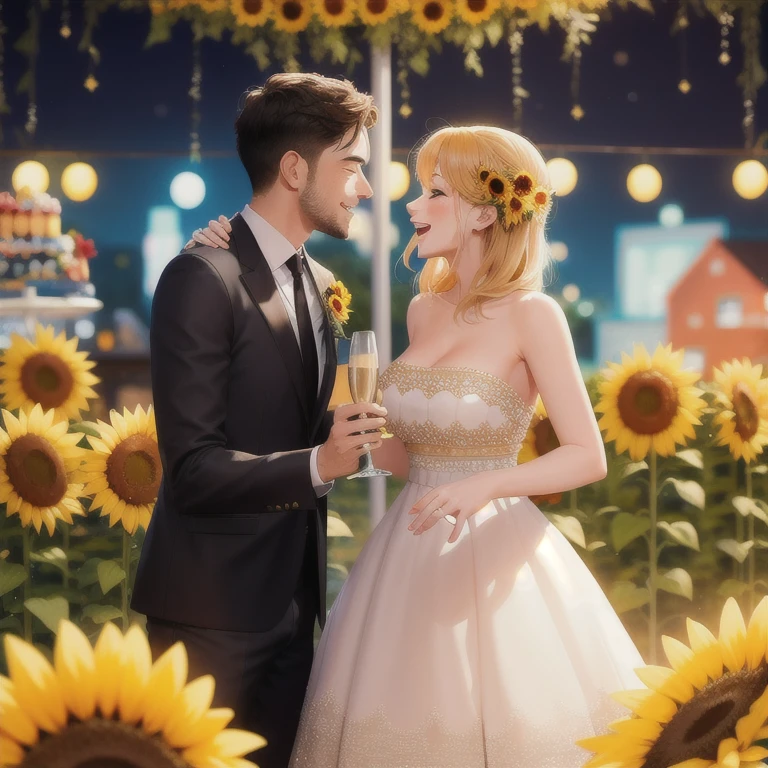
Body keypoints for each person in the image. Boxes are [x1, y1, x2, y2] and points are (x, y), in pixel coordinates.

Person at [190, 125, 646, 767]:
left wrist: (484, 484)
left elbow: (586, 455)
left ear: (486, 212)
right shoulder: (424, 311)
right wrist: (359, 441)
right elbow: (407, 454)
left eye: (433, 192)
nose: (411, 205)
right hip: (407, 544)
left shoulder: (532, 314)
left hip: (491, 551)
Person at [131, 72, 387, 768]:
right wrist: (318, 465)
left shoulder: (312, 278)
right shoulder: (201, 278)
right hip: (209, 613)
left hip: (295, 608)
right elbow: (190, 470)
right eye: (353, 166)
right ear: (295, 168)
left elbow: (292, 416)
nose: (363, 187)